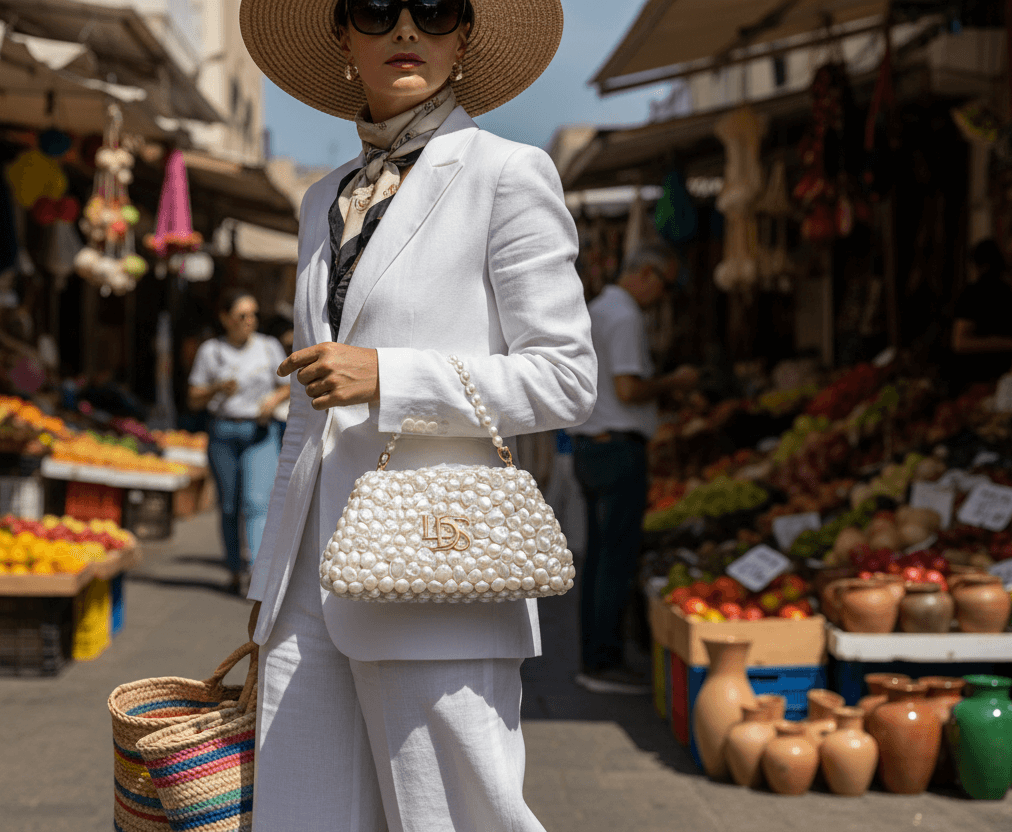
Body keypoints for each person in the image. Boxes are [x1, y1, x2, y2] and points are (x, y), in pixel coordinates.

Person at [238, 0, 596, 829]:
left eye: (434, 10)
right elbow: (306, 402)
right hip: (307, 584)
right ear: (344, 38)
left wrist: (391, 378)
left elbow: (567, 378)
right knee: (304, 813)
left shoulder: (506, 173)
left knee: (457, 817)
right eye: (376, 10)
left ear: (463, 36)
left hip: (440, 562)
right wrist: (270, 578)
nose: (406, 30)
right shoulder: (321, 197)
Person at [569, 242, 698, 695]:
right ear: (644, 274)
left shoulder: (599, 307)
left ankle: (596, 656)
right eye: (663, 285)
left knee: (601, 558)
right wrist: (674, 383)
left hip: (593, 446)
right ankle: (604, 662)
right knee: (615, 561)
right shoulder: (624, 316)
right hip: (617, 449)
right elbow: (628, 388)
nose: (662, 295)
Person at [188, 290, 291, 589]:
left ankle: (257, 573)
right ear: (225, 318)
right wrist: (217, 389)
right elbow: (193, 397)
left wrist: (273, 400)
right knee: (230, 506)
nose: (250, 321)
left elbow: (288, 384)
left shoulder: (268, 347)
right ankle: (234, 568)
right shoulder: (211, 351)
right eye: (242, 316)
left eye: (253, 315)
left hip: (259, 432)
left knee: (256, 502)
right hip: (223, 431)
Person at [950, 239, 1012, 393]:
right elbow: (961, 342)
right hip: (990, 378)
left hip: (999, 378)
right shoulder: (981, 293)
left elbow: (960, 342)